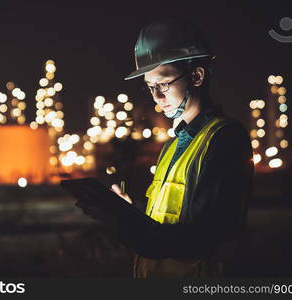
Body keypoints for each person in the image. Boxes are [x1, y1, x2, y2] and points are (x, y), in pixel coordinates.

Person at [76, 17, 254, 278]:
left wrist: (124, 224)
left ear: (196, 76)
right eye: (150, 87)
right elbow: (168, 220)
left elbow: (202, 237)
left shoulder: (225, 139)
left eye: (163, 83)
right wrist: (130, 211)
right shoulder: (172, 146)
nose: (157, 97)